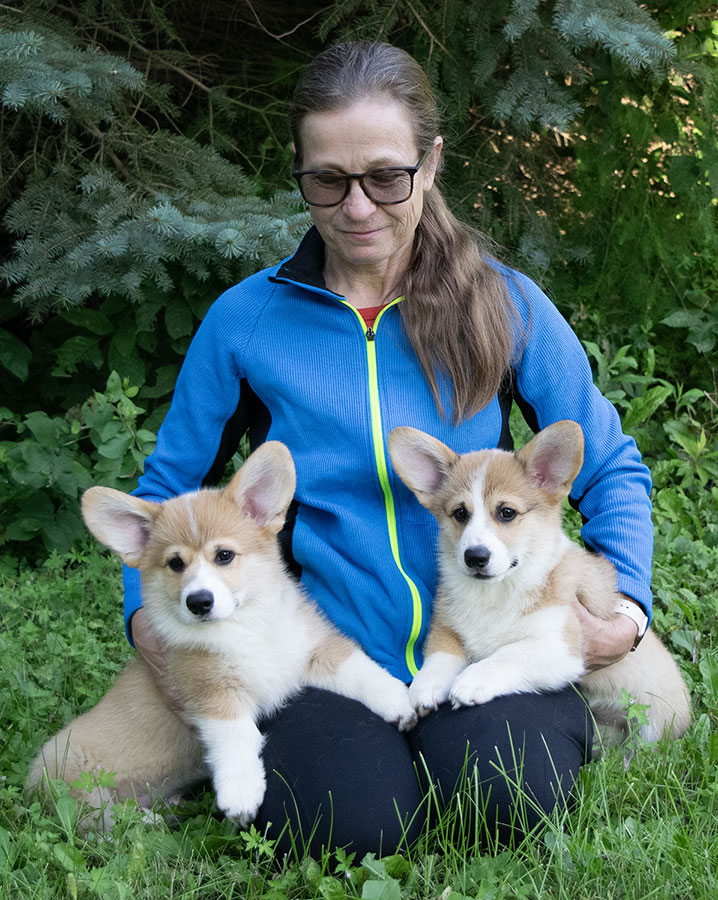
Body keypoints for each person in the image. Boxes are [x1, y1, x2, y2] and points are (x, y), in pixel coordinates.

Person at [124, 41, 652, 856]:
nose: (357, 207)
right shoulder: (246, 322)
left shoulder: (506, 304)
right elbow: (165, 487)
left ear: (429, 164)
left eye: (385, 177)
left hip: (485, 635)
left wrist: (628, 608)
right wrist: (146, 626)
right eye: (327, 180)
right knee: (349, 827)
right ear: (299, 175)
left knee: (502, 800)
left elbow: (610, 465)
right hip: (321, 651)